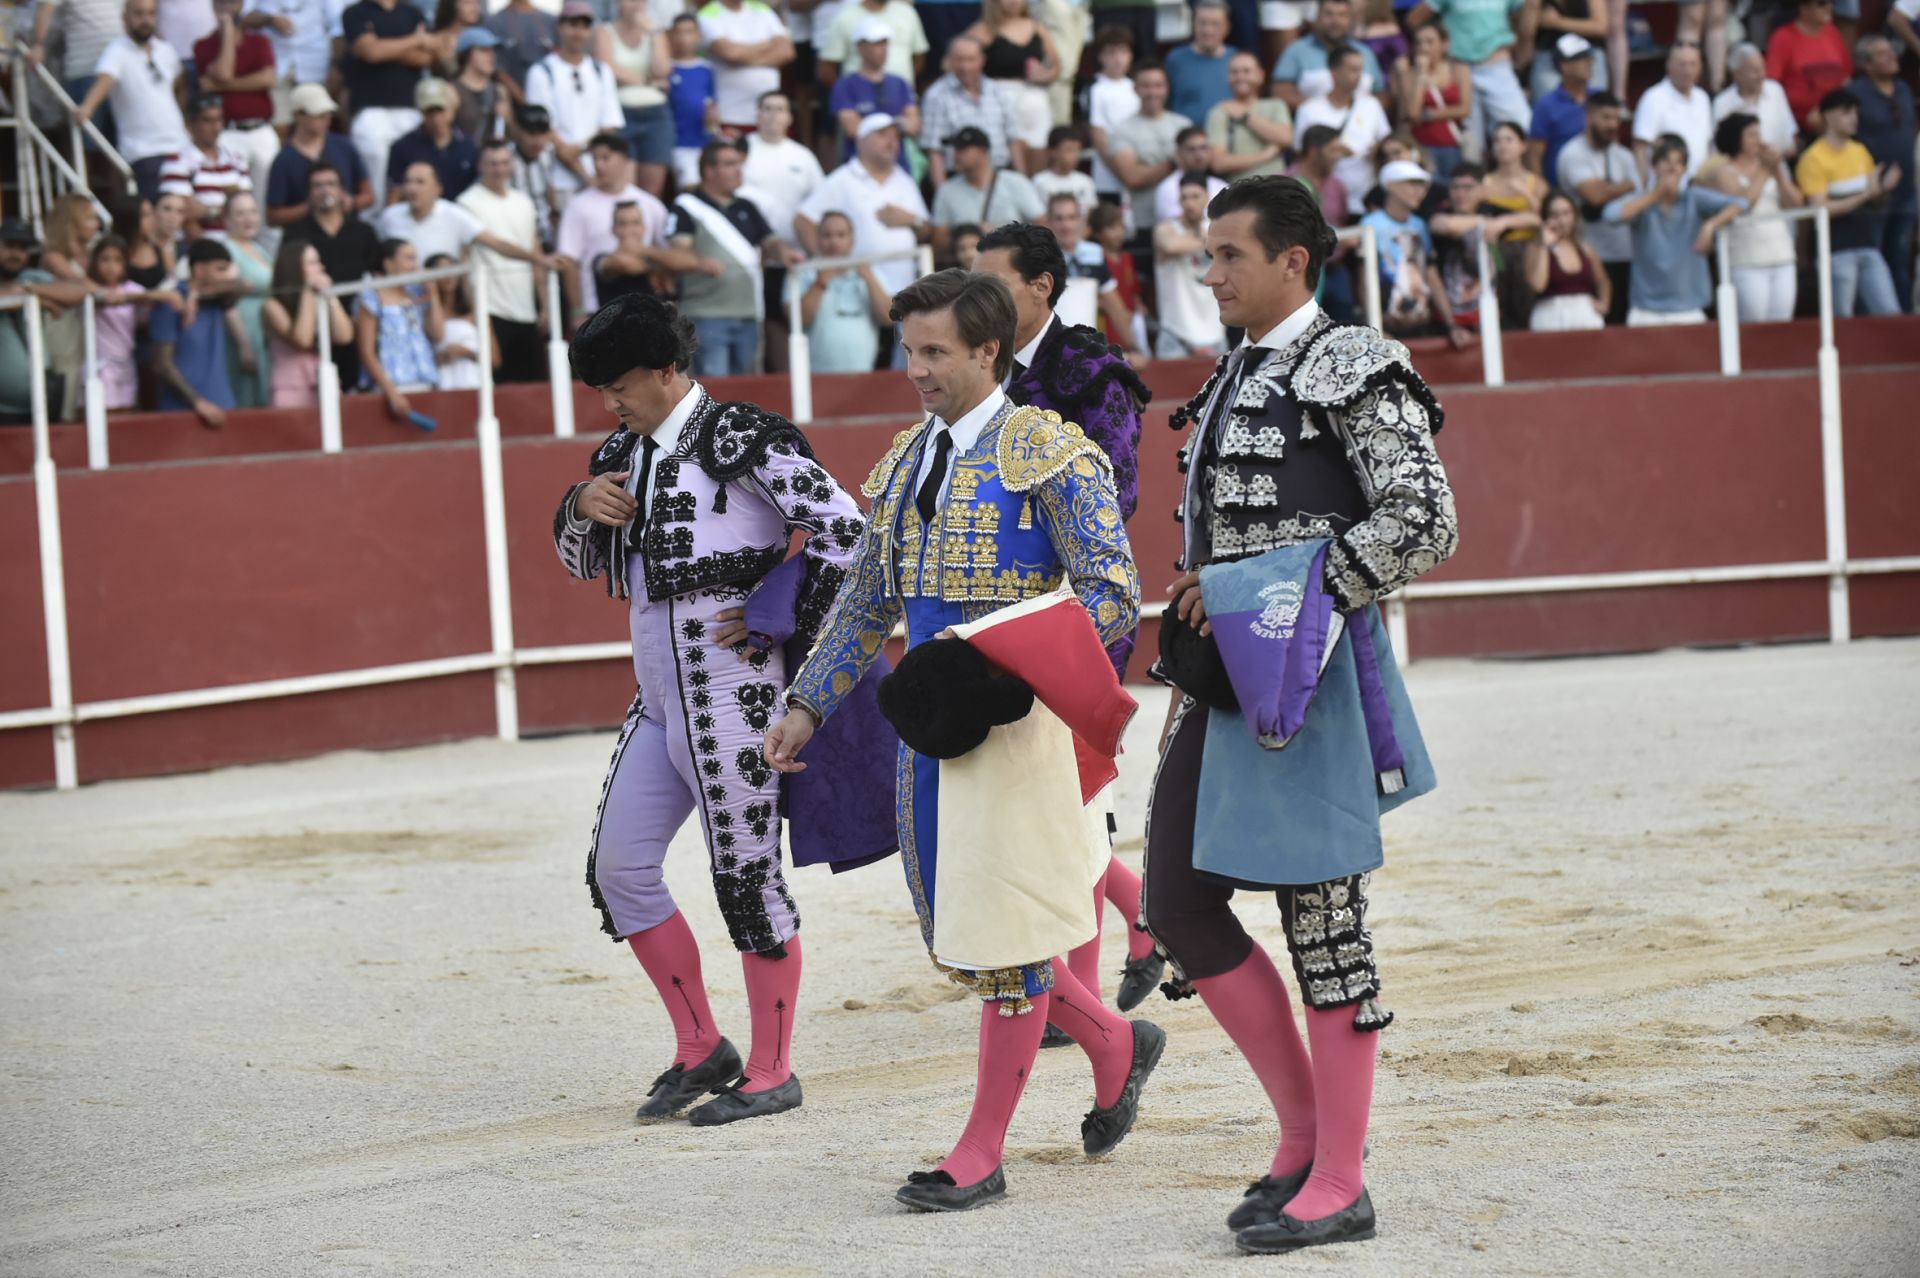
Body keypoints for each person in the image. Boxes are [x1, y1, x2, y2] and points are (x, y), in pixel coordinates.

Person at [767, 269, 1159, 1212]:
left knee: (1007, 940)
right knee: (964, 935)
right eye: (910, 351)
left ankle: (980, 1152)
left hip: (1017, 727)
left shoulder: (1051, 455)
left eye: (936, 351)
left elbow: (1112, 591)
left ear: (990, 350)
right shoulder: (907, 462)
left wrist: (1002, 660)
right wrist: (809, 704)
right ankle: (1116, 1041)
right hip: (929, 730)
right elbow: (868, 600)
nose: (918, 370)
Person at [1151, 173, 1455, 1258]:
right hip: (1221, 679)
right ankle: (1300, 1138)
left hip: (1308, 673)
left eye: (1229, 253)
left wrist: (1279, 584)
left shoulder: (1353, 362)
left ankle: (1342, 1177)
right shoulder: (1237, 370)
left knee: (1324, 925)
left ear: (1292, 259)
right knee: (1177, 902)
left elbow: (1426, 518)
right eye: (1208, 252)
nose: (1211, 271)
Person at [556, 291, 877, 1128]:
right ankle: (702, 1046)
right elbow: (577, 561)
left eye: (621, 385)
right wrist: (577, 505)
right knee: (618, 870)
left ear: (668, 370)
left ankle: (774, 1069)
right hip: (660, 696)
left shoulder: (743, 439)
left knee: (745, 877)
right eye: (601, 391)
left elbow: (849, 532)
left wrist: (784, 608)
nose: (610, 403)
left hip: (739, 695)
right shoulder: (620, 452)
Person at [974, 220, 1164, 1012]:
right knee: (1037, 794)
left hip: (1078, 608)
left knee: (1067, 794)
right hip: (1001, 609)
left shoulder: (1091, 373)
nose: (976, 297)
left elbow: (1113, 499)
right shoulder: (982, 366)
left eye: (993, 281)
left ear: (1041, 285)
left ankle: (1075, 988)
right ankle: (1145, 918)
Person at [657, 140, 800, 376]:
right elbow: (679, 250)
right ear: (710, 171)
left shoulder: (747, 206)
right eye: (730, 164)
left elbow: (770, 241)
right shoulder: (686, 206)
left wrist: (785, 252)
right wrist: (700, 262)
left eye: (739, 164)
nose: (738, 170)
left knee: (746, 391)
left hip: (749, 313)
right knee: (716, 390)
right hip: (706, 314)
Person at [1605, 134, 1748, 325]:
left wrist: (1710, 225)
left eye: (1678, 162)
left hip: (1689, 308)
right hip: (1646, 310)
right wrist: (1655, 194)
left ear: (1685, 170)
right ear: (1654, 166)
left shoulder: (1694, 198)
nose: (1672, 168)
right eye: (1665, 161)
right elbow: (1611, 215)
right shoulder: (1640, 202)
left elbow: (1741, 203)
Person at [794, 114, 931, 298]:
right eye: (883, 135)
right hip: (859, 294)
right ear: (861, 141)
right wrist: (825, 264)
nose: (892, 141)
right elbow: (803, 221)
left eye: (895, 136)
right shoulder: (842, 179)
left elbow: (926, 231)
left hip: (906, 290)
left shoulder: (905, 180)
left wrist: (912, 220)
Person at [1794, 89, 1903, 316]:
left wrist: (1883, 189)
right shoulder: (1813, 158)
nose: (1853, 117)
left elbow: (1874, 200)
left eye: (1855, 111)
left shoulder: (1859, 151)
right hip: (1836, 252)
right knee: (1840, 320)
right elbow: (1821, 209)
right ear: (1827, 116)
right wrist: (1865, 195)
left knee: (1890, 314)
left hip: (1869, 244)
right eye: (1846, 112)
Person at [74, 0, 191, 199]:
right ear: (125, 18)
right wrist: (87, 106)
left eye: (151, 14)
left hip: (181, 148)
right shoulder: (116, 51)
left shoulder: (165, 50)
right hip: (144, 152)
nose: (146, 20)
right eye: (139, 14)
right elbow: (106, 79)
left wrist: (183, 118)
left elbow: (180, 84)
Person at [458, 137, 550, 382]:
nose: (499, 169)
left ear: (512, 165)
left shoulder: (524, 202)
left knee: (533, 386)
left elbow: (535, 254)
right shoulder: (467, 203)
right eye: (492, 163)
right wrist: (474, 308)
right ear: (480, 166)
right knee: (497, 388)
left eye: (503, 163)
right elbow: (465, 259)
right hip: (491, 308)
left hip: (525, 309)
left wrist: (545, 304)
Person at [556, 132, 669, 320]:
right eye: (594, 159)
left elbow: (667, 251)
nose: (599, 165)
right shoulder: (578, 205)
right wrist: (576, 310)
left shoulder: (650, 204)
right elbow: (569, 260)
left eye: (606, 158)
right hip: (597, 308)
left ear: (624, 160)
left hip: (645, 307)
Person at [1702, 112, 1802, 323]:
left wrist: (1778, 172)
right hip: (1746, 259)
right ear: (1735, 138)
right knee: (1753, 323)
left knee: (1782, 324)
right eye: (1751, 135)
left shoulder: (1771, 168)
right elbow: (1743, 205)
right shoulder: (1721, 171)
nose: (1760, 140)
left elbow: (1795, 203)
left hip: (1781, 254)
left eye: (1759, 134)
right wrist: (1766, 169)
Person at [340, 0, 436, 209]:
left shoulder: (412, 12)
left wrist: (384, 46)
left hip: (410, 109)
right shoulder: (355, 12)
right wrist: (414, 40)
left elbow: (426, 56)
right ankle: (373, 228)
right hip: (370, 110)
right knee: (374, 175)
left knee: (414, 174)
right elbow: (371, 52)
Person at [530, 1, 626, 197]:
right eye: (573, 25)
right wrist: (582, 172)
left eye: (585, 26)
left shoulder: (601, 71)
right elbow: (544, 128)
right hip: (555, 176)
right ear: (560, 27)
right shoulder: (541, 72)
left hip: (598, 175)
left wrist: (583, 155)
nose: (579, 32)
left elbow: (609, 125)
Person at [1847, 35, 1915, 312]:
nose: (1892, 57)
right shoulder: (1856, 92)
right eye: (1882, 54)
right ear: (1866, 64)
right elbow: (1824, 118)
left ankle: (1903, 321)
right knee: (1872, 257)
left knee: (1900, 257)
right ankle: (1869, 324)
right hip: (1872, 192)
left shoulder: (1902, 88)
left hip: (1906, 188)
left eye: (1891, 52)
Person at [1555, 89, 1634, 324]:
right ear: (1589, 117)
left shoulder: (1624, 156)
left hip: (1626, 251)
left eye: (1616, 119)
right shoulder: (1572, 153)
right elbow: (1594, 196)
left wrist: (1611, 188)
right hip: (1590, 254)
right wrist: (1627, 185)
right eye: (1606, 117)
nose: (1612, 125)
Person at [150, 238, 247, 427]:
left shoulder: (218, 299)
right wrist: (197, 402)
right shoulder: (171, 303)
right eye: (220, 269)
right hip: (181, 411)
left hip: (223, 405)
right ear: (200, 269)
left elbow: (243, 284)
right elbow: (161, 363)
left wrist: (197, 295)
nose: (226, 276)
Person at [1408, 0, 1530, 149]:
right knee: (1471, 144)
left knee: (1523, 128)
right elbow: (1415, 18)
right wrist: (1434, 48)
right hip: (1460, 68)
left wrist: (1516, 46)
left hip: (1498, 66)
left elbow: (1522, 18)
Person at [1362, 159, 1461, 340]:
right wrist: (1374, 326)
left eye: (1422, 186)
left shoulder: (1419, 225)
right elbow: (1363, 279)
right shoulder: (1371, 224)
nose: (1420, 191)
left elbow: (1431, 274)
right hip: (1387, 328)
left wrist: (1451, 324)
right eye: (1413, 184)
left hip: (1421, 323)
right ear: (1391, 186)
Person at [784, 210, 891, 372]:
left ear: (852, 240)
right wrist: (821, 281)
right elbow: (797, 320)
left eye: (841, 235)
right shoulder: (802, 272)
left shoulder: (871, 272)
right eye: (827, 235)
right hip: (816, 376)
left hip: (864, 376)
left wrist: (869, 278)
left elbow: (889, 319)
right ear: (817, 240)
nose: (834, 241)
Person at [1294, 45, 1393, 219]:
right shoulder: (1309, 109)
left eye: (1360, 70)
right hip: (1325, 199)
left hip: (1366, 197)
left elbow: (1387, 141)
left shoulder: (1372, 105)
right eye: (1352, 69)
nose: (1359, 76)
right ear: (1334, 72)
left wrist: (1377, 150)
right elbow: (1300, 152)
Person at [193, 0, 278, 199]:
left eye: (233, 2)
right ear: (214, 8)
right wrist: (228, 31)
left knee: (267, 197)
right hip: (227, 133)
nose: (228, 8)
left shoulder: (259, 41)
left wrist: (221, 87)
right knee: (233, 197)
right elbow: (223, 72)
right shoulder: (204, 45)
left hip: (261, 129)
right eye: (222, 3)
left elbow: (267, 79)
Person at [960, 0, 1057, 172]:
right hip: (1000, 96)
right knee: (1008, 154)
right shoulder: (985, 29)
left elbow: (1056, 65)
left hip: (1035, 97)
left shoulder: (1036, 27)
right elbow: (957, 57)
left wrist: (1045, 74)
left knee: (1039, 150)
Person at [357, 236, 444, 418]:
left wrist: (433, 295)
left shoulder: (417, 294)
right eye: (409, 258)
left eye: (415, 259)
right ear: (388, 264)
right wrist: (391, 392)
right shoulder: (371, 297)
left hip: (425, 382)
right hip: (392, 387)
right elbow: (366, 351)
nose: (415, 265)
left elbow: (437, 334)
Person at [266, 84, 374, 228]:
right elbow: (273, 216)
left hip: (346, 232)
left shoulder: (344, 147)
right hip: (304, 237)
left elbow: (369, 196)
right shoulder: (284, 160)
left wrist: (350, 202)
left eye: (327, 113)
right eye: (318, 114)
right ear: (298, 115)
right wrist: (310, 207)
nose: (326, 119)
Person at [260, 237, 352, 407]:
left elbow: (345, 336)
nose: (321, 267)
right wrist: (307, 293)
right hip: (290, 388)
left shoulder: (319, 299)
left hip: (322, 385)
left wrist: (330, 297)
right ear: (293, 267)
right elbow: (302, 340)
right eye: (312, 263)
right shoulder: (271, 305)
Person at [919, 35, 1022, 186]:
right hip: (959, 180)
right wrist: (943, 195)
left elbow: (1013, 139)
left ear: (982, 60)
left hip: (999, 176)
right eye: (959, 59)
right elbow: (934, 150)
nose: (965, 66)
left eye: (971, 59)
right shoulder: (937, 95)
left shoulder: (997, 91)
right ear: (950, 61)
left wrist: (1021, 181)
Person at [1106, 61, 1191, 242]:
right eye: (1146, 86)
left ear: (1167, 88)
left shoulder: (1183, 124)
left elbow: (1200, 165)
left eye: (1158, 85)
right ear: (1135, 89)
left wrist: (1150, 168)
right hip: (1145, 221)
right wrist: (1174, 163)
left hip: (1187, 219)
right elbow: (1132, 177)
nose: (1152, 92)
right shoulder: (1123, 129)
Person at [929, 126, 1045, 259]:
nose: (956, 155)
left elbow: (1041, 226)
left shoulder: (1016, 183)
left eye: (962, 149)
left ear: (983, 151)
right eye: (955, 149)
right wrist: (965, 239)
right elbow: (940, 243)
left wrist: (1001, 236)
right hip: (967, 271)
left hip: (1013, 264)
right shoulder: (946, 191)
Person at [1049, 193, 1142, 352]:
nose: (1066, 226)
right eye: (1059, 218)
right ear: (1049, 222)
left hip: (1087, 349)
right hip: (1050, 350)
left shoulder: (1093, 253)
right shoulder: (1040, 257)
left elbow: (1114, 305)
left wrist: (1133, 349)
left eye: (1071, 217)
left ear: (1080, 220)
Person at [597, 0, 673, 197]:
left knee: (654, 189)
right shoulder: (605, 31)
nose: (635, 5)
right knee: (625, 187)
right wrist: (649, 82)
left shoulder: (656, 32)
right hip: (622, 113)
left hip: (656, 114)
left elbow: (662, 70)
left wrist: (654, 34)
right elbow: (609, 69)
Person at [87, 236, 171, 412]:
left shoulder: (132, 288)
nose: (111, 267)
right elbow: (104, 298)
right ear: (94, 261)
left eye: (117, 260)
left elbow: (149, 307)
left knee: (127, 414)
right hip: (101, 364)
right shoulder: (90, 287)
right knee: (103, 417)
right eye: (105, 259)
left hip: (127, 363)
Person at [158, 94, 254, 240]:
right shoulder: (176, 163)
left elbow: (245, 210)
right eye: (207, 121)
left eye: (219, 120)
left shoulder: (237, 161)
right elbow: (184, 217)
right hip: (198, 251)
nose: (216, 127)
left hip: (237, 247)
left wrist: (208, 210)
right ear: (190, 125)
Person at [238, 0, 337, 133]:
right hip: (276, 64)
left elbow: (337, 25)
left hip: (314, 63)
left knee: (315, 123)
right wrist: (270, 20)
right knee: (279, 126)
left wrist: (336, 66)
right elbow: (240, 16)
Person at [1155, 175, 1227, 356]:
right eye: (1184, 197)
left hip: (1215, 333)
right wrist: (1210, 241)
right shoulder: (1165, 229)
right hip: (1176, 332)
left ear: (1207, 197)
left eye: (1195, 196)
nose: (1189, 203)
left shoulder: (1217, 228)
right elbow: (1170, 246)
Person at [696, 0, 791, 137]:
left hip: (769, 117)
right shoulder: (708, 14)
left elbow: (787, 52)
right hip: (731, 114)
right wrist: (770, 44)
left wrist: (743, 58)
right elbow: (730, 54)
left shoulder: (762, 9)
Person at [828, 21, 920, 160]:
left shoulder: (900, 83)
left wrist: (871, 126)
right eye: (877, 44)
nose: (883, 49)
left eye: (885, 43)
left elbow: (914, 125)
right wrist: (898, 124)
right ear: (861, 47)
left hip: (898, 166)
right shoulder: (845, 85)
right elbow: (853, 129)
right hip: (858, 166)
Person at [1270, 0, 1381, 109]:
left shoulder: (1365, 53)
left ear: (1350, 19)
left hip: (1361, 123)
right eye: (1329, 14)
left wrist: (1363, 111)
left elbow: (1382, 93)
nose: (1336, 21)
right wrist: (1323, 109)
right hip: (1314, 124)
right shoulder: (1296, 50)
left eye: (1342, 15)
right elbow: (1280, 92)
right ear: (1317, 17)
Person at [1395, 20, 1469, 182]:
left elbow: (1465, 108)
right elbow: (1413, 113)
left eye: (1430, 42)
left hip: (1451, 144)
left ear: (1444, 45)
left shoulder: (1458, 69)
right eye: (1419, 42)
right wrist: (1421, 75)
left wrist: (1428, 114)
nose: (1423, 47)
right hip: (1421, 146)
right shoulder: (1409, 72)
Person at [1524, 188, 1609, 329]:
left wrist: (1604, 303)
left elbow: (1602, 280)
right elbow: (1538, 285)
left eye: (1566, 213)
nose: (1562, 220)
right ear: (1546, 218)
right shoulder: (1535, 248)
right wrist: (1545, 246)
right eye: (1555, 215)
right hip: (1550, 316)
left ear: (1574, 215)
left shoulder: (1585, 248)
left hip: (1585, 314)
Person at [218, 190, 274, 406]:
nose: (249, 219)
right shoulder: (227, 249)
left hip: (263, 333)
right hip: (243, 332)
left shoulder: (258, 248)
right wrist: (244, 344)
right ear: (227, 219)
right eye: (240, 213)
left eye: (252, 211)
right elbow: (227, 300)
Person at [386, 77, 479, 202]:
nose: (436, 119)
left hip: (462, 215)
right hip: (421, 217)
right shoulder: (402, 148)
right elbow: (394, 196)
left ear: (452, 109)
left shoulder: (469, 146)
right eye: (430, 112)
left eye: (441, 111)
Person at [1766, 0, 1850, 136]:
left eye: (1831, 2)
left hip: (1835, 120)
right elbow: (1771, 87)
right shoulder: (1783, 38)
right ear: (1804, 8)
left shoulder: (1832, 33)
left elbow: (1845, 77)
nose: (1829, 7)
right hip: (1799, 126)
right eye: (1822, 3)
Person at [1633, 42, 1713, 181]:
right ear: (1669, 65)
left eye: (1693, 64)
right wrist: (1644, 187)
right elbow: (1641, 146)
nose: (1687, 70)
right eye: (1682, 64)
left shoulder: (1703, 98)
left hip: (1699, 184)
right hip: (1665, 186)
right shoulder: (1653, 97)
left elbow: (1709, 144)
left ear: (1701, 67)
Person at [1208, 51, 1292, 181]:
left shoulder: (1276, 105)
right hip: (1239, 191)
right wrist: (1266, 154)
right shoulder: (1220, 111)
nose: (1240, 77)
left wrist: (1244, 116)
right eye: (1234, 72)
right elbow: (1218, 163)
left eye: (1246, 71)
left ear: (1261, 75)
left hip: (1276, 189)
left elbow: (1285, 138)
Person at [1528, 35, 1595, 184]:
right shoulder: (1545, 106)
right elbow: (1534, 156)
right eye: (1582, 59)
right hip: (1562, 192)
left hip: (1600, 183)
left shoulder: (1600, 98)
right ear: (1564, 66)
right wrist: (1545, 195)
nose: (1589, 63)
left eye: (1590, 58)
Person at [1086, 24, 1139, 209]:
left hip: (1136, 172)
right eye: (1111, 52)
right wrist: (1124, 174)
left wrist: (1136, 173)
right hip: (1108, 177)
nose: (1118, 58)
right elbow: (1099, 136)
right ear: (1101, 56)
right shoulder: (1096, 89)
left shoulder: (1136, 86)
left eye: (1123, 51)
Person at [1714, 42, 1797, 159]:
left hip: (1777, 166)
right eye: (1754, 70)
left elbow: (1791, 140)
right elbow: (1719, 151)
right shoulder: (1722, 102)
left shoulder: (1775, 90)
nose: (1761, 75)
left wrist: (1777, 155)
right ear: (1736, 74)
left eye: (1762, 68)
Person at [815, 0, 927, 83]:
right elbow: (826, 68)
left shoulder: (907, 12)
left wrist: (898, 88)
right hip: (857, 105)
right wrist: (846, 95)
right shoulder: (844, 17)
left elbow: (919, 57)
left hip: (902, 102)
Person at [666, 13, 717, 187]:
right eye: (678, 32)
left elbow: (713, 105)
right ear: (671, 36)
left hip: (705, 142)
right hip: (679, 143)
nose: (683, 38)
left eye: (688, 32)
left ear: (698, 36)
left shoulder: (707, 69)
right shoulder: (666, 68)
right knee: (690, 187)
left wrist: (712, 120)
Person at [423, 251, 488, 387]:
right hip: (444, 385)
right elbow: (437, 335)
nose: (448, 276)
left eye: (452, 270)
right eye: (441, 271)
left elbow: (494, 359)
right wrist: (433, 294)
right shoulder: (425, 314)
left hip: (476, 384)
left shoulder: (475, 311)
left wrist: (465, 353)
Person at [1166, 0, 1235, 126]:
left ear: (1227, 28)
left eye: (1215, 24)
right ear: (1193, 24)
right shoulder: (1176, 59)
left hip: (1228, 138)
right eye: (1202, 23)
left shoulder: (1237, 59)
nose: (1208, 30)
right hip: (1185, 138)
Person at [1089, 202, 1145, 349]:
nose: (1118, 233)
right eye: (1111, 228)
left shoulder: (1127, 258)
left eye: (1120, 226)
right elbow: (1092, 296)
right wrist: (1113, 308)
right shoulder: (1095, 259)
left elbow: (1134, 289)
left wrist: (1138, 307)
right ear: (1098, 233)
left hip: (1130, 321)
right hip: (1106, 321)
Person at [1154, 126, 1227, 223]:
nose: (1199, 155)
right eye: (1191, 149)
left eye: (1203, 148)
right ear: (1178, 153)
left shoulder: (1221, 186)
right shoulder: (1168, 188)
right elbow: (1176, 228)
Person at [452, 26, 508, 143]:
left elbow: (510, 135)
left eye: (492, 50)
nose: (491, 56)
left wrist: (506, 118)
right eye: (483, 50)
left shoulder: (499, 90)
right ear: (467, 54)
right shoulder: (452, 91)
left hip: (493, 159)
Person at [483, 0, 554, 90]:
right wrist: (523, 99)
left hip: (548, 95)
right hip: (511, 98)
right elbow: (497, 67)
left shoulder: (551, 21)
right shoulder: (494, 22)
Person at [1032, 127, 1098, 215]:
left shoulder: (1085, 181)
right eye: (1069, 150)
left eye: (1078, 150)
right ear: (1053, 152)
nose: (1075, 155)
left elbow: (1091, 213)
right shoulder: (1039, 181)